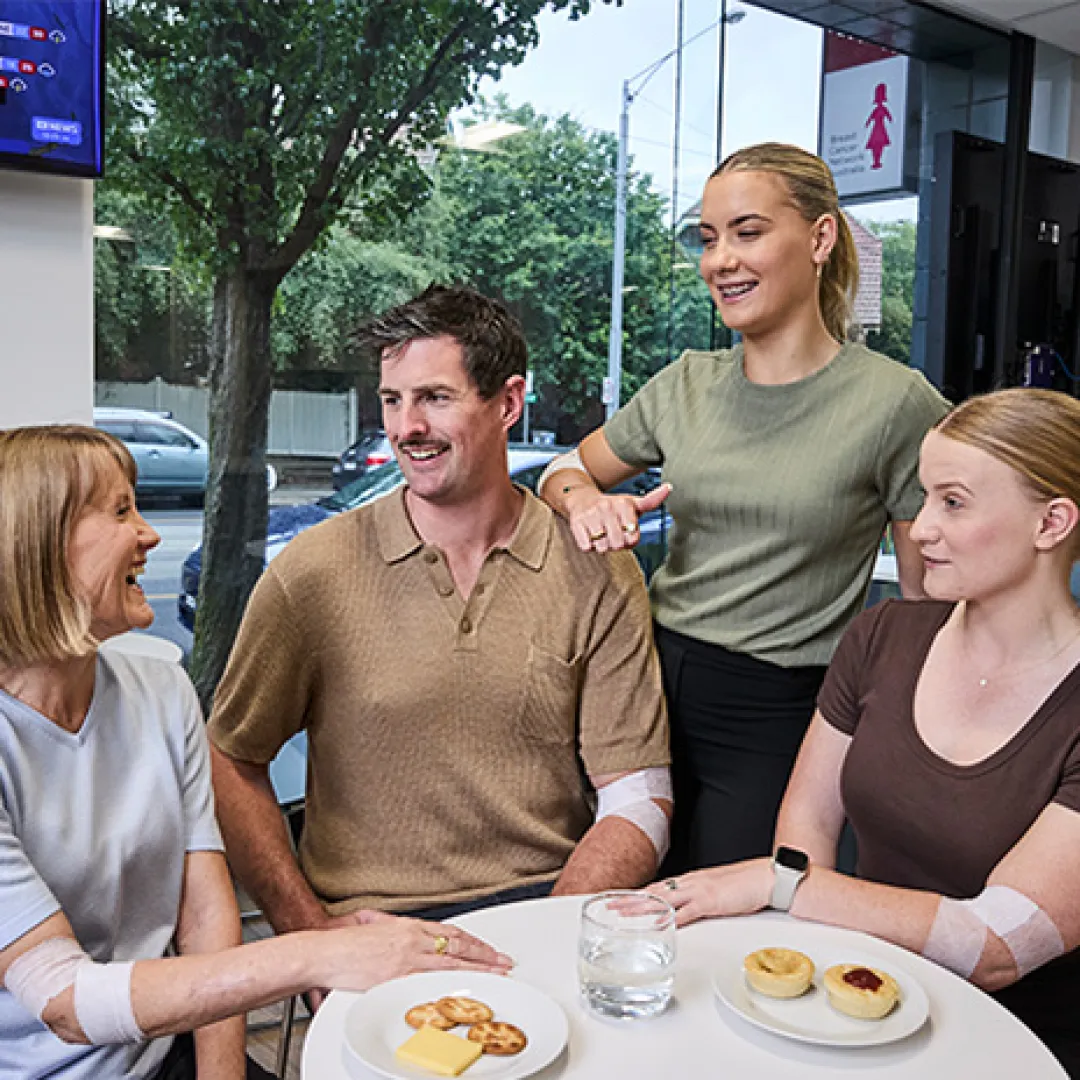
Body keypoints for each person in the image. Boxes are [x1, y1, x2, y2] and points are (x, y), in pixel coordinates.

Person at [0, 424, 509, 1080]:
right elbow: (64, 999)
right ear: (36, 547)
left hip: (165, 1051)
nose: (149, 535)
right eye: (122, 511)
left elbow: (207, 914)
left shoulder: (161, 690)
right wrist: (315, 954)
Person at [207, 285, 671, 982]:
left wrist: (546, 944)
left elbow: (639, 796)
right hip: (373, 927)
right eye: (392, 400)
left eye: (435, 398)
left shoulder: (599, 571)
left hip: (545, 908)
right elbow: (231, 762)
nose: (405, 427)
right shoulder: (314, 572)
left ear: (508, 402)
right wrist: (312, 939)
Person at [539, 142, 949, 874]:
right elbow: (567, 468)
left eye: (747, 232)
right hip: (641, 681)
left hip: (778, 711)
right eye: (707, 238)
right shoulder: (685, 382)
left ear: (821, 238)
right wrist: (584, 504)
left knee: (729, 931)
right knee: (610, 911)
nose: (719, 260)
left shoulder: (895, 403)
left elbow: (928, 601)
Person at [655, 388, 1080, 1076]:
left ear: (1051, 522)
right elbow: (809, 821)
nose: (918, 529)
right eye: (923, 497)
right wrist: (810, 1000)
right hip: (862, 1012)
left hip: (1018, 1050)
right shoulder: (884, 634)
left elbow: (996, 943)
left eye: (954, 502)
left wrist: (782, 886)